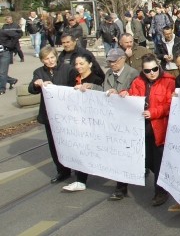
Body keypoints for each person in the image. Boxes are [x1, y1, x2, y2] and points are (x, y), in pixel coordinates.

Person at [121, 53, 174, 206]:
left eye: (154, 69)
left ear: (159, 67)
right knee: (148, 160)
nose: (152, 73)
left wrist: (154, 112)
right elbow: (132, 97)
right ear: (142, 71)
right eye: (147, 71)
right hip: (142, 127)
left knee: (159, 162)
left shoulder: (168, 81)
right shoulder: (138, 82)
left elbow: (170, 104)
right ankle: (164, 181)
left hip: (160, 128)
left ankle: (160, 192)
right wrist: (123, 94)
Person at [28, 46, 77, 184]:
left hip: (67, 113)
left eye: (51, 57)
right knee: (54, 144)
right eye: (46, 59)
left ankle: (79, 169)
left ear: (56, 56)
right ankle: (62, 171)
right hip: (49, 115)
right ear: (42, 60)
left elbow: (76, 84)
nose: (49, 61)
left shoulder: (68, 69)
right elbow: (31, 89)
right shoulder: (39, 72)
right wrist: (37, 84)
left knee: (71, 141)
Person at [61, 53, 106, 193]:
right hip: (77, 120)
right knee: (81, 147)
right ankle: (81, 180)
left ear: (90, 64)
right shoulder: (74, 79)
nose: (78, 66)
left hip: (92, 121)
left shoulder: (96, 80)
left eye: (82, 63)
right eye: (76, 64)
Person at [102, 48, 141, 201]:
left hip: (129, 121)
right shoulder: (108, 74)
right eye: (110, 61)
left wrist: (125, 93)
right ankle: (121, 187)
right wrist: (91, 88)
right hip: (113, 121)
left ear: (122, 59)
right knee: (119, 154)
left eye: (114, 61)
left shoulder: (133, 74)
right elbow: (103, 92)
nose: (112, 64)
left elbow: (137, 94)